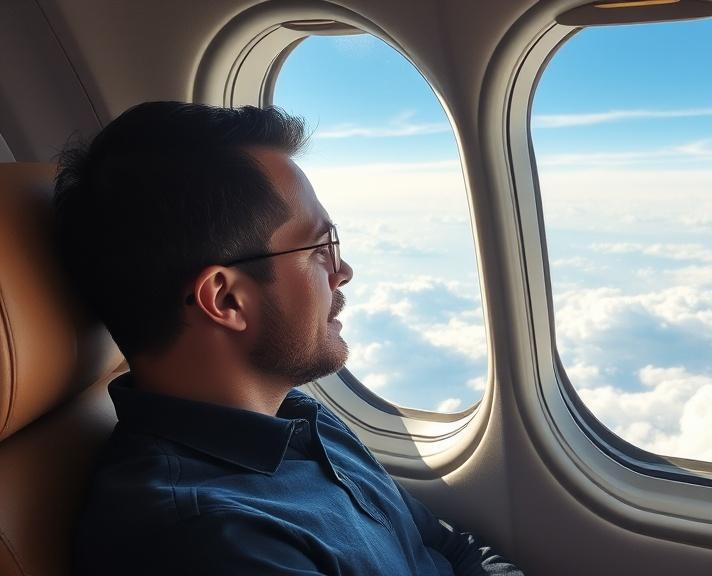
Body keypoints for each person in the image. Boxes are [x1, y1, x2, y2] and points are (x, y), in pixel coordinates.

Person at [55, 102, 523, 575]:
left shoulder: (297, 418)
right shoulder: (210, 541)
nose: (342, 272)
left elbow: (449, 550)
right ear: (226, 299)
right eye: (320, 248)